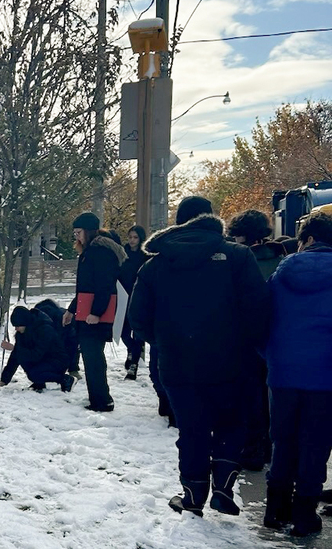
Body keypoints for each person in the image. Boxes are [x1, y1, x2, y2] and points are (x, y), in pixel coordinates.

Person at [128, 196, 270, 517]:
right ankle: (223, 489)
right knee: (231, 423)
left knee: (192, 429)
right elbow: (258, 309)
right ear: (212, 218)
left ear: (180, 222)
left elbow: (138, 319)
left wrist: (166, 341)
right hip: (232, 362)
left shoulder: (156, 264)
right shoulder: (237, 257)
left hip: (178, 365)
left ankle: (192, 495)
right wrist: (246, 345)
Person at [263, 213, 332, 537]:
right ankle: (304, 517)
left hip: (283, 374)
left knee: (284, 441)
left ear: (306, 240)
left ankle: (274, 511)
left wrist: (273, 357)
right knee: (315, 445)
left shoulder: (281, 273)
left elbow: (261, 320)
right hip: (326, 378)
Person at [227, 209, 286, 471]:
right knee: (270, 394)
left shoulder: (239, 260)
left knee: (249, 397)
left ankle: (252, 450)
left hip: (244, 339)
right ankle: (271, 447)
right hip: (276, 337)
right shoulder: (281, 257)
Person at [63, 212, 125, 412]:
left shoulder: (100, 252)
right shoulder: (90, 251)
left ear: (88, 231)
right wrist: (71, 310)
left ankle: (102, 400)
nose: (77, 237)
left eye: (79, 232)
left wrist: (96, 312)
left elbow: (104, 285)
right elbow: (83, 287)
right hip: (86, 311)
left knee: (93, 357)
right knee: (91, 357)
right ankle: (97, 398)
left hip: (95, 315)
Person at [0, 306, 75, 392]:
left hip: (58, 360)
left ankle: (65, 379)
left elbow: (36, 354)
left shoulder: (44, 329)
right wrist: (4, 380)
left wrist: (15, 348)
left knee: (33, 374)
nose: (16, 328)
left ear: (25, 322)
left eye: (18, 326)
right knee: (23, 358)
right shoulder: (21, 333)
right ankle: (39, 382)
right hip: (43, 360)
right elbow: (15, 358)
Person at [119, 225, 148, 381]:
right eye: (130, 237)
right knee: (123, 333)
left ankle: (133, 367)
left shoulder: (145, 256)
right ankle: (132, 350)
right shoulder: (123, 253)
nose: (132, 240)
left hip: (140, 299)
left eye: (135, 237)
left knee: (138, 334)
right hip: (124, 297)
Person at [33, 299, 80, 378]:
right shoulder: (34, 323)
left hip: (65, 330)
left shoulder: (64, 319)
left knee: (71, 343)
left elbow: (73, 340)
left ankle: (72, 369)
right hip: (59, 330)